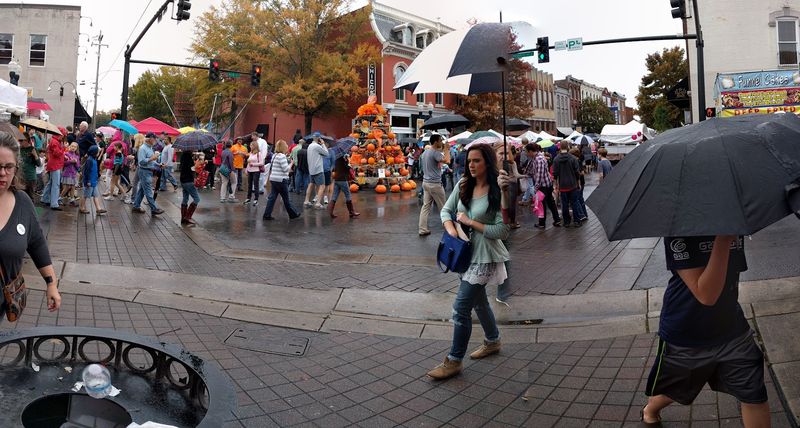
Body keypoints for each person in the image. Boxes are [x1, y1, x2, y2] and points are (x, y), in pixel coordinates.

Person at [643, 235, 770, 427]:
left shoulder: (731, 220)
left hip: (732, 330)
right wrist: (723, 240)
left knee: (754, 394)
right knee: (675, 391)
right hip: (686, 335)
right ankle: (651, 409)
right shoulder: (680, 230)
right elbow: (706, 295)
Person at [426, 143, 510, 380]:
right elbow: (446, 211)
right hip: (464, 254)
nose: (471, 165)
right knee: (479, 302)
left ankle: (454, 361)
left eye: (477, 161)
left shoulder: (497, 190)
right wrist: (451, 227)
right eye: (469, 161)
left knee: (460, 308)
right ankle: (493, 341)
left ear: (488, 163)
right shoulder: (463, 185)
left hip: (485, 256)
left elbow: (502, 231)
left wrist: (471, 222)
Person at [0, 131, 62, 321]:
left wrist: (51, 283)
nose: (2, 173)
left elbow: (36, 243)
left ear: (16, 168)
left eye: (8, 167)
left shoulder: (22, 202)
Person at [418, 134, 449, 236]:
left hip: (425, 183)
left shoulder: (426, 152)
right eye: (440, 141)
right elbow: (448, 161)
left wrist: (443, 150)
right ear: (436, 142)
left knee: (425, 207)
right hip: (435, 184)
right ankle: (449, 230)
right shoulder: (435, 153)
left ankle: (422, 229)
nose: (441, 143)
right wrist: (447, 149)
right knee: (444, 208)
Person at [263, 140, 300, 221]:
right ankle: (293, 214)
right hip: (281, 180)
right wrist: (291, 163)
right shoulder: (282, 156)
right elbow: (285, 169)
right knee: (286, 199)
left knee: (272, 198)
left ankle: (267, 214)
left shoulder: (274, 155)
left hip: (273, 179)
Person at [552, 141, 585, 227]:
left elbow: (555, 174)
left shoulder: (556, 159)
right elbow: (577, 173)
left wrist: (556, 186)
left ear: (560, 148)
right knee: (574, 203)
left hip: (562, 185)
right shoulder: (573, 158)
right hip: (573, 184)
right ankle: (577, 221)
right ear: (568, 147)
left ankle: (566, 222)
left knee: (564, 204)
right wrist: (578, 183)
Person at [131, 133, 164, 215]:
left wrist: (158, 164)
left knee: (142, 190)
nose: (155, 140)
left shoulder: (150, 148)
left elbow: (152, 160)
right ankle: (154, 208)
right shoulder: (143, 148)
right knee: (148, 191)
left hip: (148, 171)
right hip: (144, 171)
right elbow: (141, 161)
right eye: (154, 138)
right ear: (150, 139)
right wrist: (151, 158)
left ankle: (136, 206)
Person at [304, 133, 329, 210]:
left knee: (311, 184)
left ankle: (306, 201)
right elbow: (326, 153)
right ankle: (318, 203)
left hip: (311, 169)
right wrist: (323, 144)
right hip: (318, 169)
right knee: (322, 186)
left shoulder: (310, 146)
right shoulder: (317, 146)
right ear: (318, 138)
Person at [79, 145, 107, 215]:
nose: (99, 153)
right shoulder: (90, 160)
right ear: (94, 152)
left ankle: (98, 209)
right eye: (98, 152)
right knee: (85, 195)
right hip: (90, 181)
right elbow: (87, 171)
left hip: (93, 181)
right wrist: (88, 181)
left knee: (96, 195)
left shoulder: (93, 159)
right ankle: (81, 208)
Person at [329, 154, 359, 218]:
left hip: (337, 179)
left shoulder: (336, 159)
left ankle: (330, 212)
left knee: (334, 196)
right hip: (343, 179)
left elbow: (334, 169)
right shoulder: (343, 159)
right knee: (348, 195)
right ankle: (351, 212)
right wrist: (348, 163)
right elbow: (347, 168)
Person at [42, 130, 65, 211]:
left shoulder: (54, 140)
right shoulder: (55, 142)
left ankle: (45, 198)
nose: (64, 136)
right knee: (56, 184)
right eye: (63, 134)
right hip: (55, 165)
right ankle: (54, 204)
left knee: (51, 182)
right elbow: (57, 153)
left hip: (53, 164)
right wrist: (63, 148)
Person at [179, 149, 200, 226]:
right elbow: (191, 169)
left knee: (185, 198)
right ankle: (187, 217)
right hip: (188, 181)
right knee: (197, 199)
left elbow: (185, 167)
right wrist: (196, 165)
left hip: (183, 180)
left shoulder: (183, 155)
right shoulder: (187, 156)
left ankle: (183, 218)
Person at [18, 133, 39, 200]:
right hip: (21, 177)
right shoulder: (19, 149)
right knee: (21, 198)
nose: (20, 142)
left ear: (26, 140)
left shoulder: (33, 149)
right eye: (19, 140)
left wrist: (35, 155)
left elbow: (39, 164)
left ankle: (30, 210)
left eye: (21, 141)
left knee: (30, 198)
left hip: (30, 177)